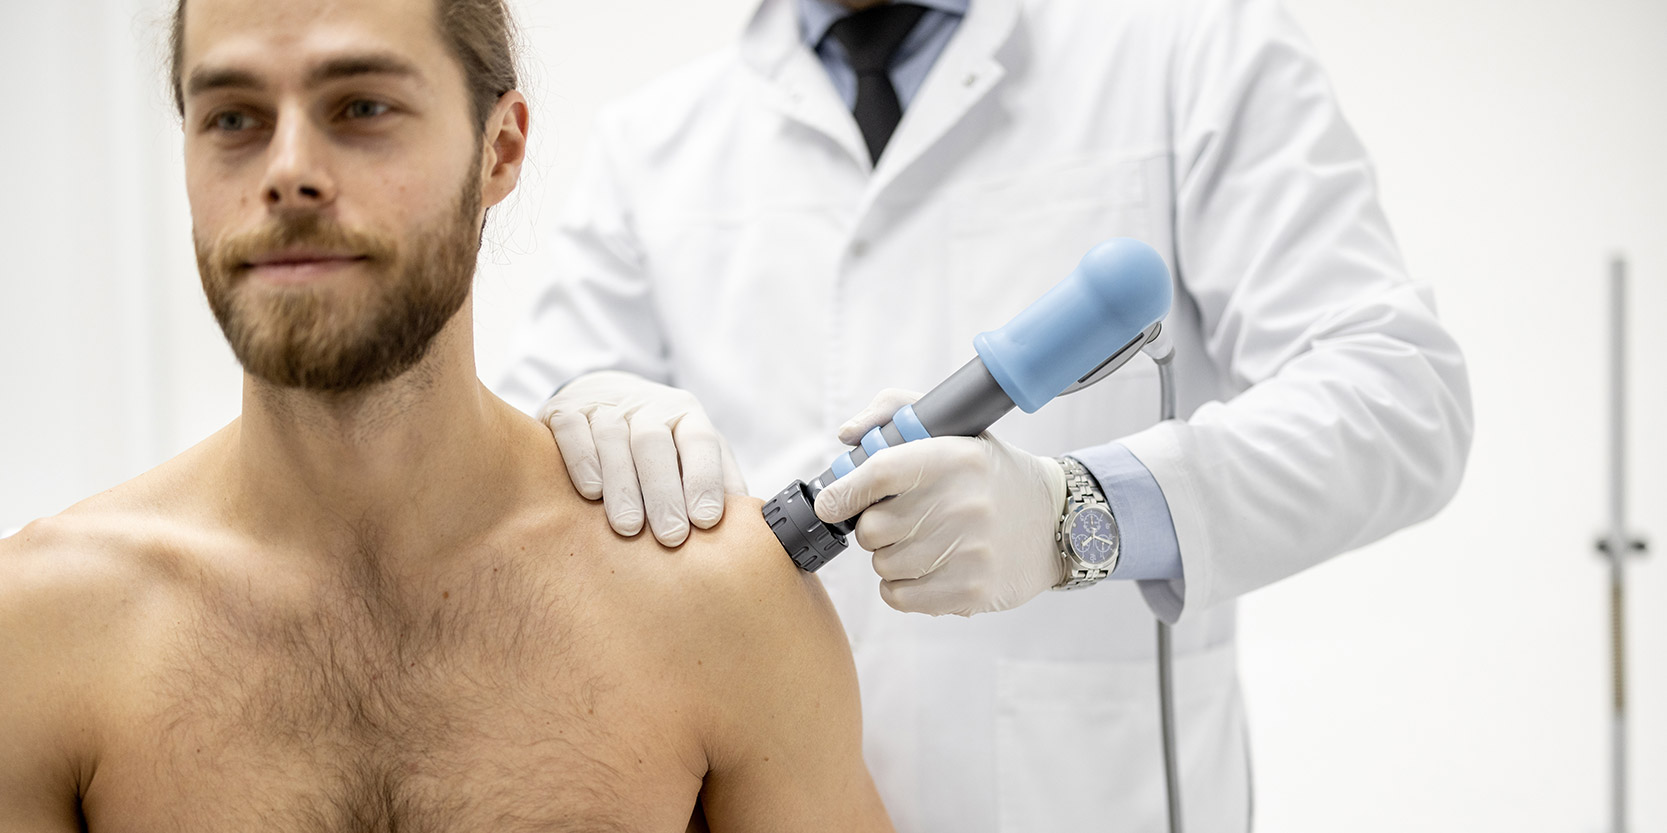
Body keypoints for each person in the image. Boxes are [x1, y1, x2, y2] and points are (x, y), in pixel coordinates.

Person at [498, 0, 1476, 828]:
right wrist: (570, 416)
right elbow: (509, 495)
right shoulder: (653, 143)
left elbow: (1399, 397)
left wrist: (1073, 513)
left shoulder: (1192, 48)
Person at [0, 0, 894, 830]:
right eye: (233, 118)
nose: (289, 174)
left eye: (361, 108)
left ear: (499, 150)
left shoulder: (720, 606)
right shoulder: (40, 635)